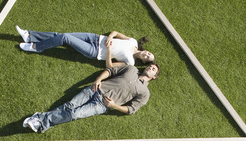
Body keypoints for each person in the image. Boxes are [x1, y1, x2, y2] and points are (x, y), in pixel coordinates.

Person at [23, 63, 160, 133]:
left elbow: (131, 109)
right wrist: (98, 79)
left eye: (153, 69)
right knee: (69, 106)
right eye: (150, 66)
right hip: (95, 89)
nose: (150, 68)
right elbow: (110, 71)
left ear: (153, 77)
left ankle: (40, 119)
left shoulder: (145, 93)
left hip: (102, 105)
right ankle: (41, 122)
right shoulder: (131, 69)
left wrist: (114, 106)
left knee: (75, 114)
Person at [15, 27, 155, 67]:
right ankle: (29, 36)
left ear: (143, 62)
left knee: (65, 38)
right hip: (95, 38)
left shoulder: (130, 62)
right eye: (149, 53)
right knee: (61, 35)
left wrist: (110, 50)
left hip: (95, 51)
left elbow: (110, 65)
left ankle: (36, 47)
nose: (147, 54)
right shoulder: (133, 42)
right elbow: (116, 32)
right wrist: (111, 37)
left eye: (147, 58)